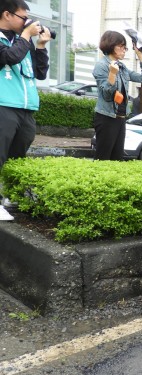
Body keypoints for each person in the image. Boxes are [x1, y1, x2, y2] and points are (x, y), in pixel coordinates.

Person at [0, 0, 51, 221]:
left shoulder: (25, 42)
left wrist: (40, 47)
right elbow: (9, 58)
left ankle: (8, 195)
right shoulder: (11, 40)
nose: (26, 22)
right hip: (3, 104)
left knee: (17, 157)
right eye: (23, 17)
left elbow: (40, 73)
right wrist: (27, 36)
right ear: (7, 14)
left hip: (26, 107)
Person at [92, 30, 142, 161]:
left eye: (125, 47)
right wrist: (112, 74)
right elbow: (106, 94)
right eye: (121, 46)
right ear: (111, 46)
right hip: (106, 117)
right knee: (103, 158)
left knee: (117, 158)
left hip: (120, 118)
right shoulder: (101, 66)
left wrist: (141, 57)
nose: (124, 50)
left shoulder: (122, 67)